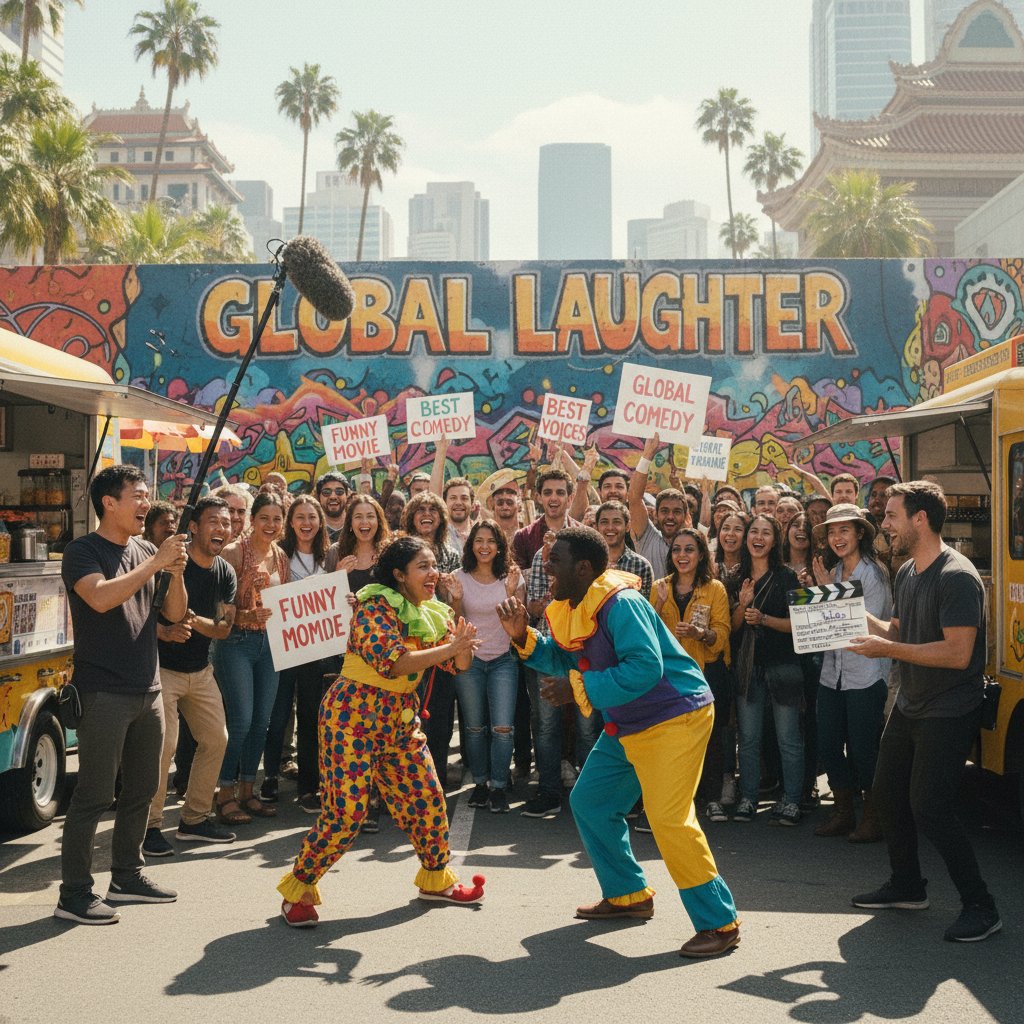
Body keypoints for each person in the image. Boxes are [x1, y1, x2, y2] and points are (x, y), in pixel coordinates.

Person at [497, 527, 741, 958]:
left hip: (673, 717)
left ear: (584, 567)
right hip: (629, 721)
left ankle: (719, 923)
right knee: (591, 802)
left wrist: (579, 689)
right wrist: (523, 638)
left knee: (669, 821)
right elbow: (564, 656)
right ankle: (629, 894)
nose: (546, 568)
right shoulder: (574, 604)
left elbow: (644, 668)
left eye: (555, 561)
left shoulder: (621, 603)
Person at [276, 536, 485, 927]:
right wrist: (450, 648)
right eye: (422, 566)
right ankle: (299, 889)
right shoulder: (375, 607)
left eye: (433, 565)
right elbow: (395, 663)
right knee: (347, 813)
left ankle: (437, 879)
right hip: (350, 720)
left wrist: (462, 644)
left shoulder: (434, 611)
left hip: (400, 723)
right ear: (399, 575)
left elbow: (459, 666)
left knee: (427, 798)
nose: (432, 573)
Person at [848, 481, 1001, 942]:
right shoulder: (909, 571)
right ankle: (908, 885)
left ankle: (982, 906)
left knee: (929, 807)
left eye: (892, 515)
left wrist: (885, 650)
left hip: (950, 708)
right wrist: (842, 613)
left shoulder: (956, 576)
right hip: (912, 703)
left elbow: (957, 653)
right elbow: (897, 630)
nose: (884, 524)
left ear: (920, 519)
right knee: (887, 794)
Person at [55, 465, 188, 925]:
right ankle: (73, 893)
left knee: (143, 788)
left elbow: (174, 612)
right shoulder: (81, 551)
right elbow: (100, 598)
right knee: (93, 794)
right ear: (109, 502)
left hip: (147, 686)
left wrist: (174, 569)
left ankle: (127, 875)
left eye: (147, 494)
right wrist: (155, 563)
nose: (146, 503)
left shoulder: (147, 549)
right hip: (103, 690)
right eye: (138, 494)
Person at [143, 496, 237, 857]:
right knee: (163, 748)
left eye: (227, 523)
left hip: (200, 672)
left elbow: (224, 628)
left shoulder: (225, 572)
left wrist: (193, 621)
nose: (222, 529)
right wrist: (165, 632)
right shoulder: (169, 566)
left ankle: (194, 820)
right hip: (162, 671)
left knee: (216, 738)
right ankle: (149, 827)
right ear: (194, 527)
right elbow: (139, 615)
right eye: (214, 521)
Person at [810, 504, 890, 843]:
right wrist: (823, 592)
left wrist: (827, 592)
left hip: (866, 673)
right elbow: (822, 626)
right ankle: (843, 812)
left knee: (863, 749)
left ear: (860, 533)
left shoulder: (875, 573)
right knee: (827, 743)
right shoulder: (835, 570)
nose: (837, 537)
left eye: (845, 530)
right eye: (832, 531)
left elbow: (863, 628)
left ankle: (874, 816)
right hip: (832, 673)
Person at [213, 491, 288, 825]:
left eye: (276, 519)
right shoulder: (232, 553)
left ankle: (247, 790)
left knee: (262, 722)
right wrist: (245, 617)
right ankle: (224, 792)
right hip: (236, 644)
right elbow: (217, 613)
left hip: (270, 645)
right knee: (240, 721)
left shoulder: (281, 557)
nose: (270, 525)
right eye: (264, 518)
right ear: (252, 520)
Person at [261, 496, 338, 811]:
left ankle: (310, 786)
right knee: (277, 716)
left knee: (309, 716)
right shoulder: (278, 555)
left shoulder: (330, 556)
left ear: (320, 522)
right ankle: (269, 777)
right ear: (290, 523)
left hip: (315, 649)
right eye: (299, 517)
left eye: (312, 517)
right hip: (280, 645)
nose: (306, 523)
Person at [650, 528, 731, 824]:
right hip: (668, 674)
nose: (682, 556)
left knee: (710, 739)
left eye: (689, 550)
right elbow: (646, 631)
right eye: (676, 550)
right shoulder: (660, 586)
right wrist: (658, 603)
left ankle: (712, 799)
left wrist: (701, 633)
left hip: (705, 673)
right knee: (670, 740)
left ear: (700, 555)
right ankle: (675, 801)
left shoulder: (715, 589)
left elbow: (722, 635)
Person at [729, 514, 805, 825]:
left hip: (783, 665)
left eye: (766, 532)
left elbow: (801, 626)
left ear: (775, 540)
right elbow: (731, 630)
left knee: (788, 737)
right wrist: (741, 605)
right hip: (748, 669)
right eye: (754, 532)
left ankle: (793, 800)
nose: (758, 537)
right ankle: (748, 797)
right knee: (747, 738)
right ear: (747, 538)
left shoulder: (788, 577)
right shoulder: (734, 578)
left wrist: (764, 620)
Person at [447, 521, 525, 813]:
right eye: (478, 540)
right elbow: (454, 624)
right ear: (470, 546)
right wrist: (454, 599)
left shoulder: (512, 578)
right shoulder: (459, 577)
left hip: (504, 660)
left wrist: (509, 592)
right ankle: (480, 784)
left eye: (490, 541)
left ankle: (500, 787)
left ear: (500, 546)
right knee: (475, 728)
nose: (484, 546)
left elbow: (518, 625)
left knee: (503, 728)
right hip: (471, 660)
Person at [627, 434, 690, 572]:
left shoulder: (694, 546)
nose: (670, 517)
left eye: (677, 512)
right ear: (655, 515)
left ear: (686, 517)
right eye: (664, 511)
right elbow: (634, 499)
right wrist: (647, 455)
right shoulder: (647, 538)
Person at [594, 500, 653, 599]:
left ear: (627, 526)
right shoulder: (588, 563)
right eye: (604, 522)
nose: (610, 527)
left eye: (617, 522)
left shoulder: (641, 565)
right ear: (596, 527)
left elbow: (642, 609)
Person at [314, 472, 350, 543]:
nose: (333, 497)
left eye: (339, 491)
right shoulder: (312, 530)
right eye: (326, 492)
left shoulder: (356, 527)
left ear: (347, 495)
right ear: (319, 497)